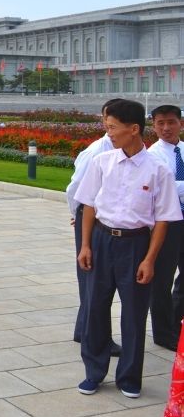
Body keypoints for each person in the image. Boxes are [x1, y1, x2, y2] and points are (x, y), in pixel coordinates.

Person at [75, 99, 180, 398]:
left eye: (112, 128)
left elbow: (162, 220)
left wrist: (149, 259)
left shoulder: (159, 170)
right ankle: (94, 372)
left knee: (134, 314)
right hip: (101, 241)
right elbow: (89, 205)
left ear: (133, 129)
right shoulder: (102, 162)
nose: (108, 133)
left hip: (136, 245)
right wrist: (85, 245)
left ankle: (129, 378)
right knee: (95, 308)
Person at [66, 99, 123, 355]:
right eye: (108, 122)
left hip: (107, 218)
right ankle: (95, 337)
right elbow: (75, 189)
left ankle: (84, 330)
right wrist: (77, 215)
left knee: (95, 280)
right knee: (93, 280)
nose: (110, 128)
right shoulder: (96, 152)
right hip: (92, 218)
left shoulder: (124, 149)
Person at [147, 104, 184, 350]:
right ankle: (163, 333)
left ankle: (177, 322)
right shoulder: (153, 155)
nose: (166, 128)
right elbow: (165, 189)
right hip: (167, 224)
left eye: (171, 122)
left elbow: (175, 185)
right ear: (154, 126)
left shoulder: (183, 150)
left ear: (180, 123)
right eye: (160, 123)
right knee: (161, 278)